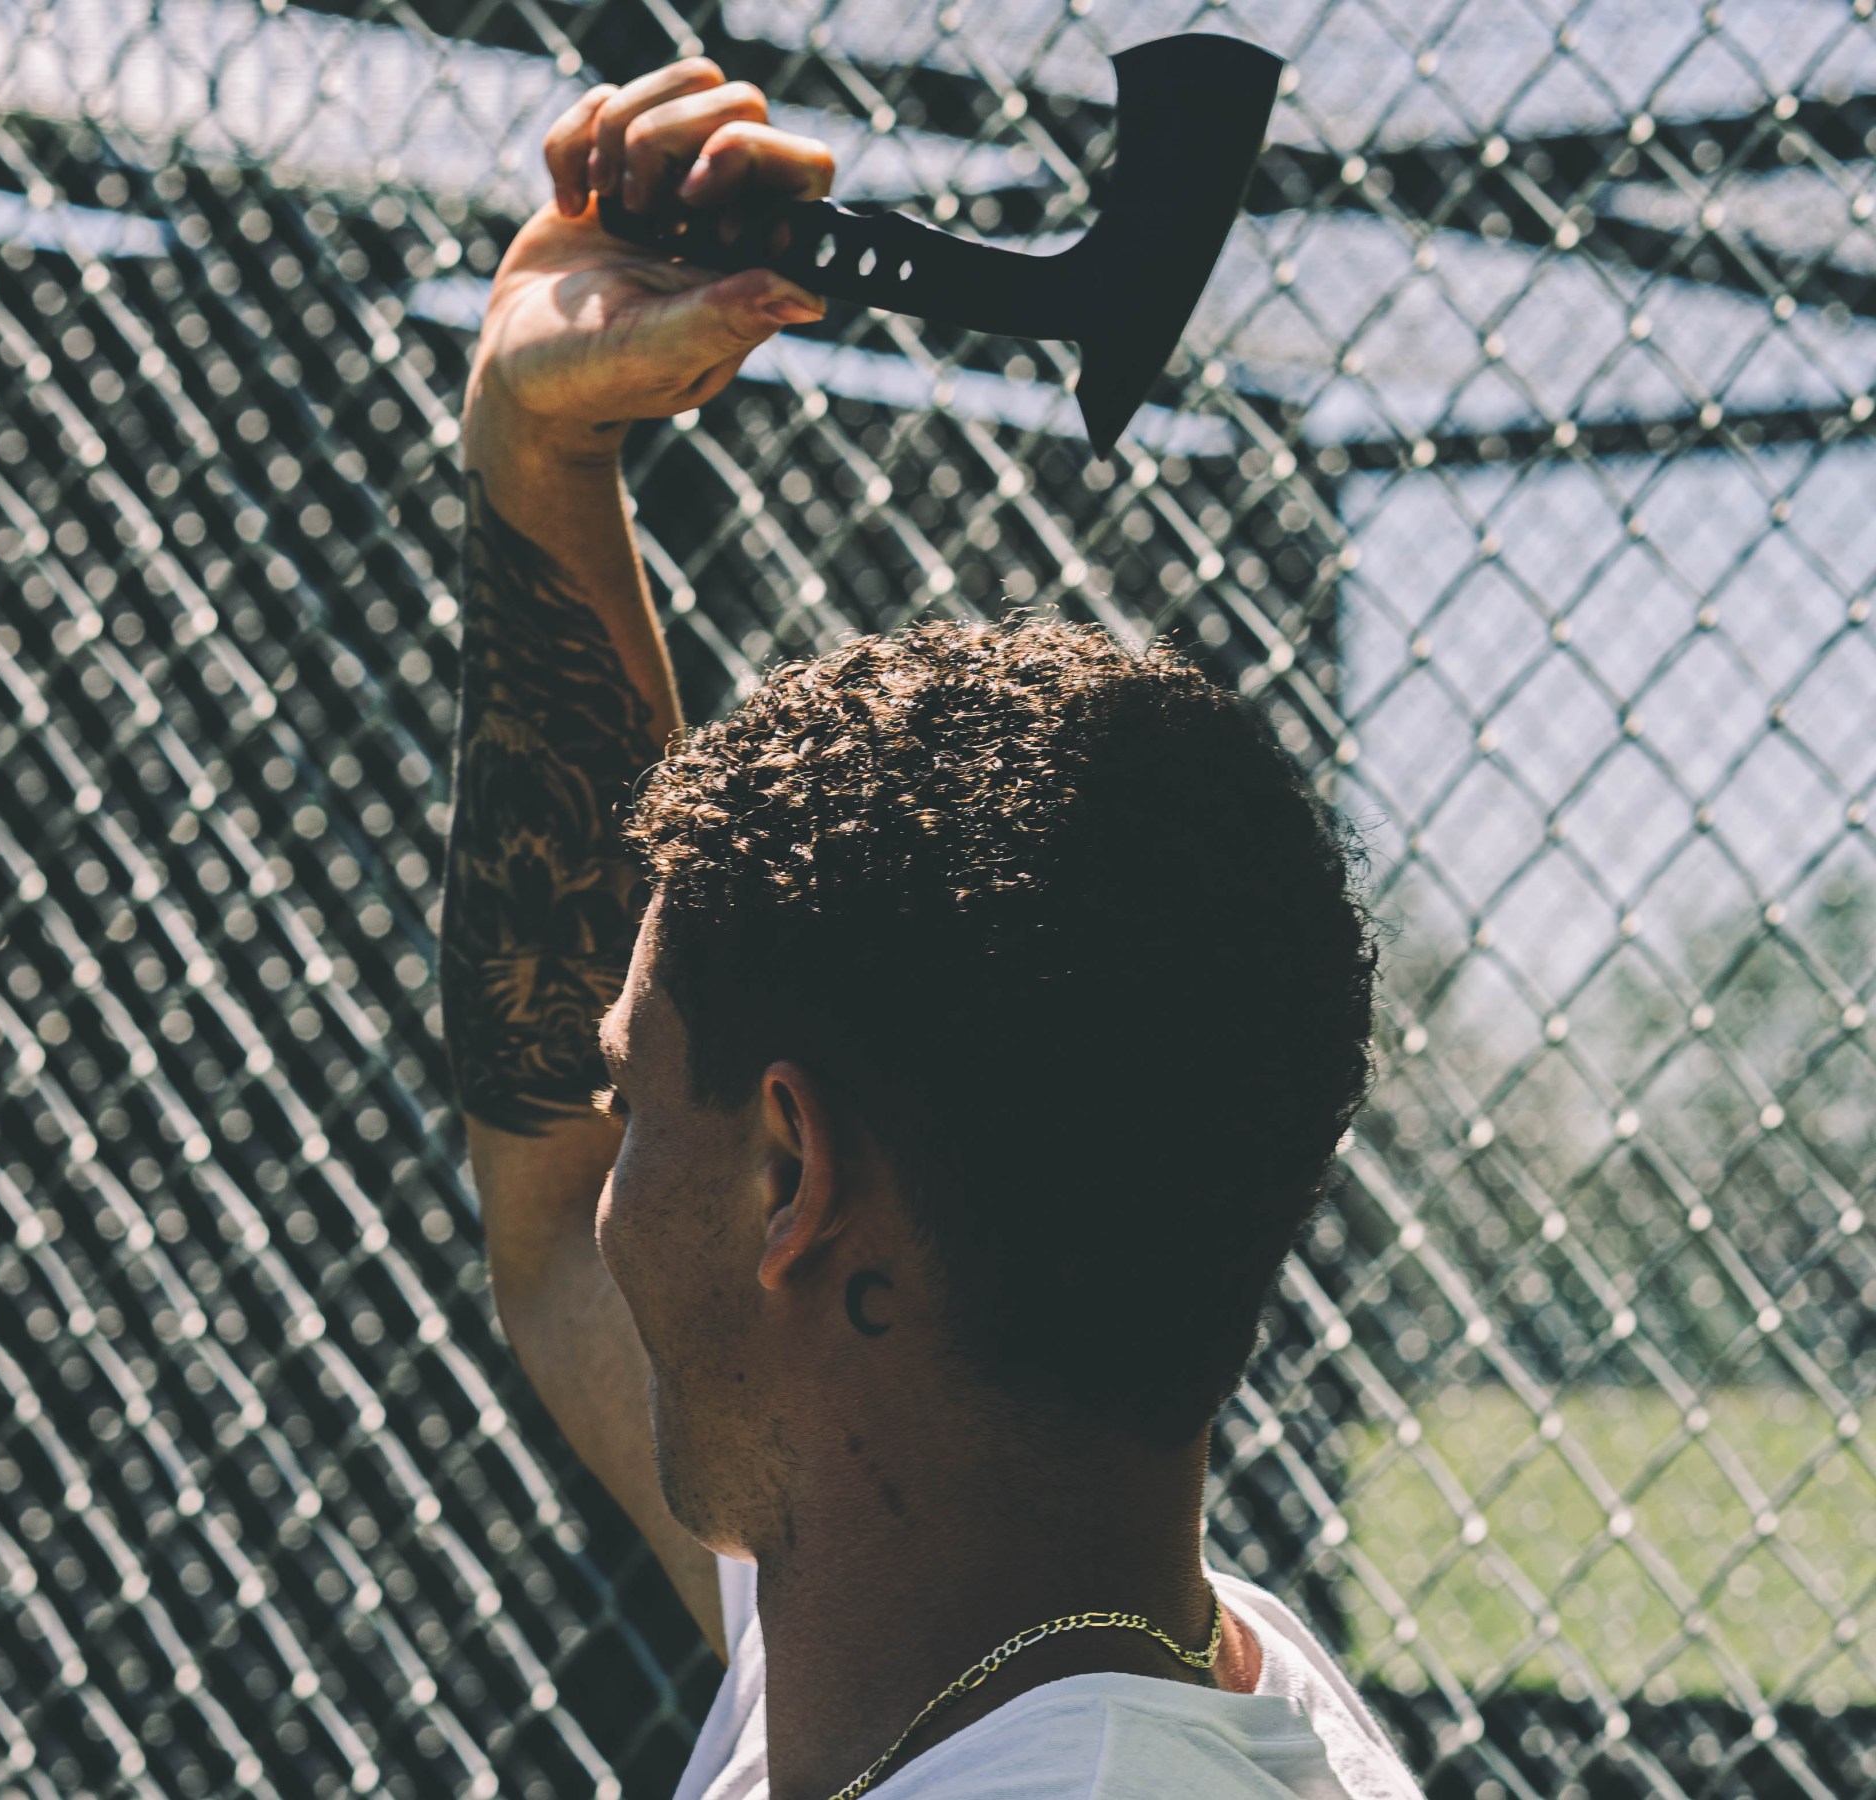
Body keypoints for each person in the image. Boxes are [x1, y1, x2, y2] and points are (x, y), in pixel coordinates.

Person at [439, 54, 1423, 1800]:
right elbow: (553, 1212)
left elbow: (555, 1216)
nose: (604, 1180)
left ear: (789, 1176)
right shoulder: (963, 1626)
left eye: (636, 1100)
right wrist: (541, 442)